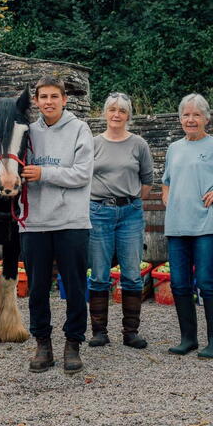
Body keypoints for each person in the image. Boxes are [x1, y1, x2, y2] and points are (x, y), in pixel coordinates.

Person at [20, 75, 94, 374]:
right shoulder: (26, 132)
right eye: (43, 97)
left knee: (74, 287)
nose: (48, 102)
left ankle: (73, 343)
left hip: (71, 221)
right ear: (35, 101)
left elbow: (82, 175)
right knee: (37, 289)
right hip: (34, 222)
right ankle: (42, 343)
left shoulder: (79, 129)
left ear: (64, 99)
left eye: (54, 96)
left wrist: (44, 173)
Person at [87, 92, 153, 350]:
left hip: (130, 215)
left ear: (128, 116)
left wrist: (131, 202)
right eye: (112, 109)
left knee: (132, 275)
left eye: (122, 111)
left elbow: (147, 182)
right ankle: (99, 332)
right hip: (99, 212)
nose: (116, 115)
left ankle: (131, 332)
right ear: (105, 113)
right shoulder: (92, 144)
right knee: (100, 275)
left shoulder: (139, 145)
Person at [162, 93, 213, 359]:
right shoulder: (174, 148)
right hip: (176, 225)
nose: (190, 119)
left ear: (206, 118)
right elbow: (166, 180)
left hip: (205, 224)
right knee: (180, 283)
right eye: (186, 115)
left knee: (207, 282)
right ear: (180, 118)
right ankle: (188, 339)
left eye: (196, 114)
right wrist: (166, 193)